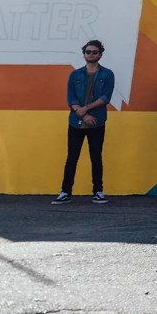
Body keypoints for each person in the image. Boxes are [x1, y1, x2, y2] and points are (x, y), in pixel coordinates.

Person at [52, 39, 116, 205]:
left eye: (95, 52)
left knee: (96, 157)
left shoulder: (107, 74)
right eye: (88, 52)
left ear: (100, 55)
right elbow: (71, 98)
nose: (91, 54)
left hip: (97, 122)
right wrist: (82, 114)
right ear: (84, 54)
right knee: (72, 157)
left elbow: (105, 98)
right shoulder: (75, 75)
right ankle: (65, 192)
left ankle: (98, 192)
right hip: (76, 122)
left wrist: (85, 109)